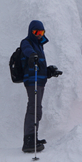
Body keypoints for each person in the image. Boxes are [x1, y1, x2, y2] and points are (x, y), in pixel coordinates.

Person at [20, 20, 61, 153]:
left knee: (37, 109)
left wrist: (49, 71)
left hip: (40, 80)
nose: (38, 35)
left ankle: (33, 137)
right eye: (36, 32)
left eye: (41, 32)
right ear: (30, 32)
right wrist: (32, 55)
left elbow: (39, 65)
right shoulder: (27, 42)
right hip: (32, 81)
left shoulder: (39, 46)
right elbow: (27, 51)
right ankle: (28, 141)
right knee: (34, 109)